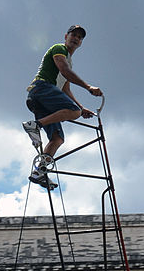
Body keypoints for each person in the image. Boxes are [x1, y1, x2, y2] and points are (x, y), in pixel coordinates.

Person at [22, 25, 103, 190]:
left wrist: (82, 107)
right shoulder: (59, 49)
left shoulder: (69, 62)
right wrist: (88, 88)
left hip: (45, 98)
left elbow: (65, 89)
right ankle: (35, 125)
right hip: (41, 88)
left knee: (58, 138)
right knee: (73, 112)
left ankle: (40, 172)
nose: (76, 38)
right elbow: (64, 71)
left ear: (81, 43)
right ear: (66, 36)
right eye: (74, 35)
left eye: (80, 37)